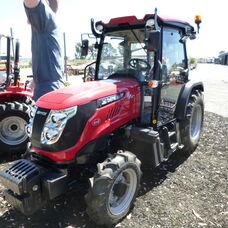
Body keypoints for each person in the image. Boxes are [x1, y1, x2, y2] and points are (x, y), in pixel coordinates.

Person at [24, 0, 65, 101]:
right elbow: (47, 64)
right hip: (49, 89)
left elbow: (32, 2)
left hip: (47, 92)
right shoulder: (47, 27)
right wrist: (34, 82)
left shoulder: (45, 20)